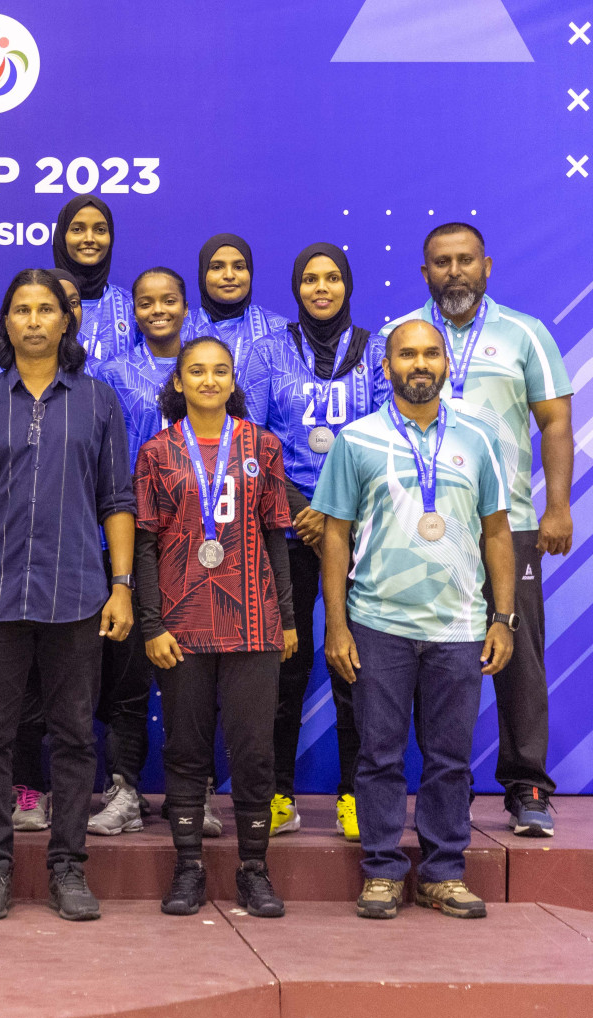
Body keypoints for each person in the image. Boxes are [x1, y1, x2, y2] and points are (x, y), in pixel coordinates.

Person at [0, 269, 135, 923]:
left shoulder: (100, 401)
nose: (32, 320)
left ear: (66, 321)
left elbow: (117, 502)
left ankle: (68, 869)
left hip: (78, 594)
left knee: (76, 738)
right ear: (5, 324)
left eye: (45, 309)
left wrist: (122, 586)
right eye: (20, 309)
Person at [312, 319, 515, 920]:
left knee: (450, 757)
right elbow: (336, 536)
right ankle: (381, 871)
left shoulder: (479, 436)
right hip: (377, 623)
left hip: (459, 625)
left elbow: (497, 532)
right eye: (407, 354)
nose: (419, 364)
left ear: (447, 364)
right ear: (387, 366)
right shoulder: (357, 440)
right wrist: (337, 624)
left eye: (430, 353)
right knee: (378, 753)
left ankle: (444, 872)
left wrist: (501, 618)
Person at [381, 222, 573, 838]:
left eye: (465, 261)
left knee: (519, 653)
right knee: (432, 657)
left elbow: (556, 424)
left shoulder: (526, 334)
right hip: (420, 531)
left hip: (508, 524)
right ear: (424, 272)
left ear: (487, 266)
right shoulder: (403, 335)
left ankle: (528, 786)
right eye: (441, 262)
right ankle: (449, 787)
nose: (454, 272)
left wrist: (559, 507)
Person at [134, 336, 296, 919]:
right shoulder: (156, 452)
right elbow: (145, 544)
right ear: (177, 382)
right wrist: (151, 622)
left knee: (254, 752)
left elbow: (277, 533)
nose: (208, 380)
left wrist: (289, 619)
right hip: (180, 626)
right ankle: (188, 868)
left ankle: (254, 869)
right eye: (195, 371)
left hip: (254, 623)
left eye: (219, 371)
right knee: (185, 751)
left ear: (233, 381)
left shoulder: (263, 446)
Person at [242, 245, 389, 841]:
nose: (320, 288)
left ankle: (354, 794)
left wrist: (334, 513)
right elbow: (249, 435)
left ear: (347, 285)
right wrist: (303, 510)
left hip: (360, 529)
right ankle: (278, 793)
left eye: (332, 278)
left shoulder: (377, 350)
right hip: (285, 528)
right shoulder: (268, 351)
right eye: (309, 278)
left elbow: (388, 437)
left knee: (356, 665)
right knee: (287, 663)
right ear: (296, 287)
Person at [88, 268, 193, 838]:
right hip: (130, 536)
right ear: (132, 311)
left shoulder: (205, 363)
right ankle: (124, 787)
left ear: (185, 306)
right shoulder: (110, 374)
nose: (158, 310)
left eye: (169, 300)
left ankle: (191, 791)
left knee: (195, 675)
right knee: (127, 674)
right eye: (146, 302)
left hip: (200, 544)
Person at [186, 234, 288, 365]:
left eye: (239, 267)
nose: (229, 275)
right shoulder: (181, 329)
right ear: (203, 274)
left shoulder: (280, 330)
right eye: (217, 267)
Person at [52, 195, 132, 363]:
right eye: (77, 229)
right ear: (61, 236)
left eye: (100, 230)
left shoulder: (130, 306)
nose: (89, 239)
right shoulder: (38, 301)